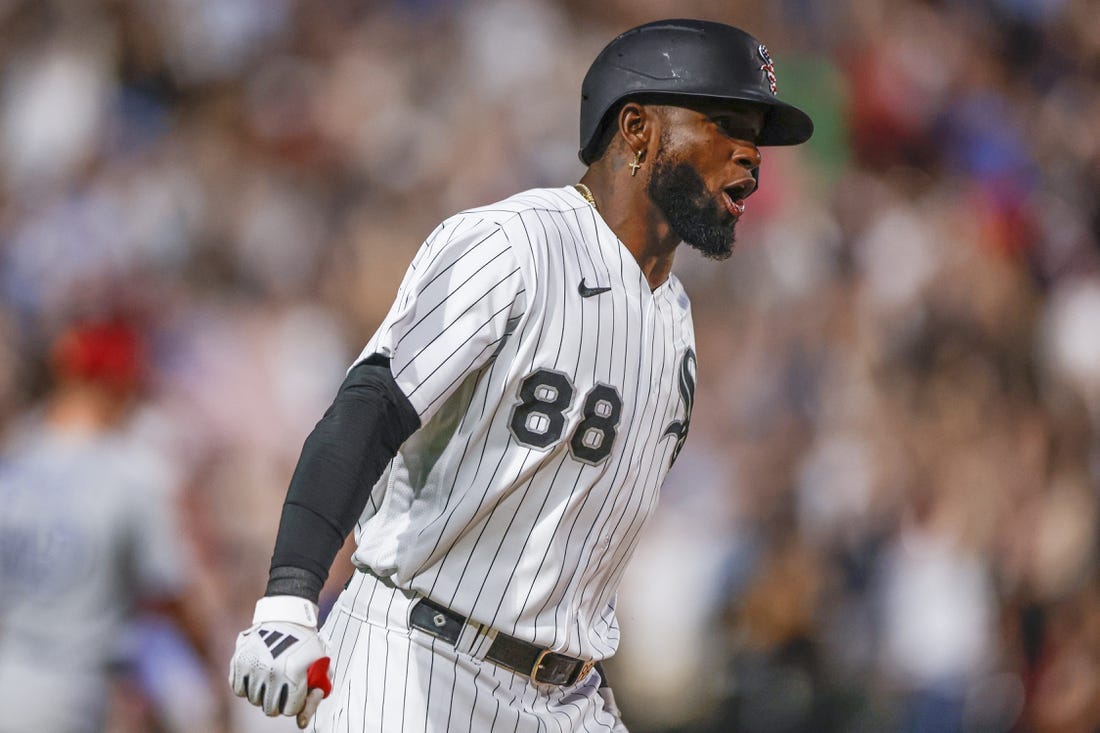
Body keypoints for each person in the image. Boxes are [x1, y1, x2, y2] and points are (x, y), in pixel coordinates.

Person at [229, 18, 813, 732]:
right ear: (637, 130)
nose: (751, 156)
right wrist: (290, 595)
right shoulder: (515, 244)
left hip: (565, 696)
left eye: (756, 132)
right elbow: (370, 404)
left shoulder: (676, 320)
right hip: (419, 660)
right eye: (726, 123)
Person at [0, 318, 218, 733]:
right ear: (115, 385)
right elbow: (172, 595)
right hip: (77, 691)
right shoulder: (129, 472)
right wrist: (210, 668)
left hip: (8, 674)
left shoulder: (14, 458)